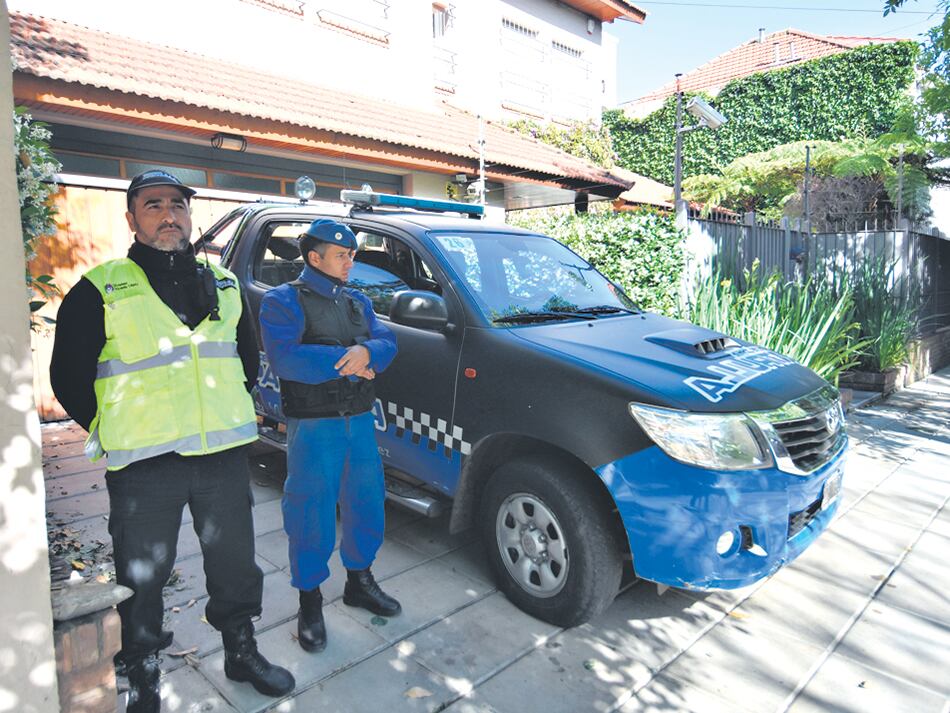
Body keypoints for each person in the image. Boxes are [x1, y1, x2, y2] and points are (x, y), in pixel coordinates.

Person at [50, 170, 295, 712]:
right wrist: (110, 425)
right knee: (143, 572)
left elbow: (246, 361)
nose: (169, 214)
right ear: (132, 218)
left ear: (190, 215)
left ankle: (240, 648)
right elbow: (67, 375)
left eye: (178, 204)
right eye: (153, 204)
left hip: (222, 457)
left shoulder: (224, 282)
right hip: (144, 462)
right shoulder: (102, 287)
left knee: (235, 562)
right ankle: (142, 668)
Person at [259, 219, 400, 654]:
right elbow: (286, 358)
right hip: (315, 425)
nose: (350, 261)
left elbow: (387, 340)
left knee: (366, 502)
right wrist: (351, 357)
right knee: (310, 510)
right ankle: (310, 601)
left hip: (357, 420)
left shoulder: (357, 301)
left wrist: (369, 352)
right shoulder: (283, 301)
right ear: (314, 258)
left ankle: (359, 580)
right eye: (342, 255)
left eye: (352, 254)